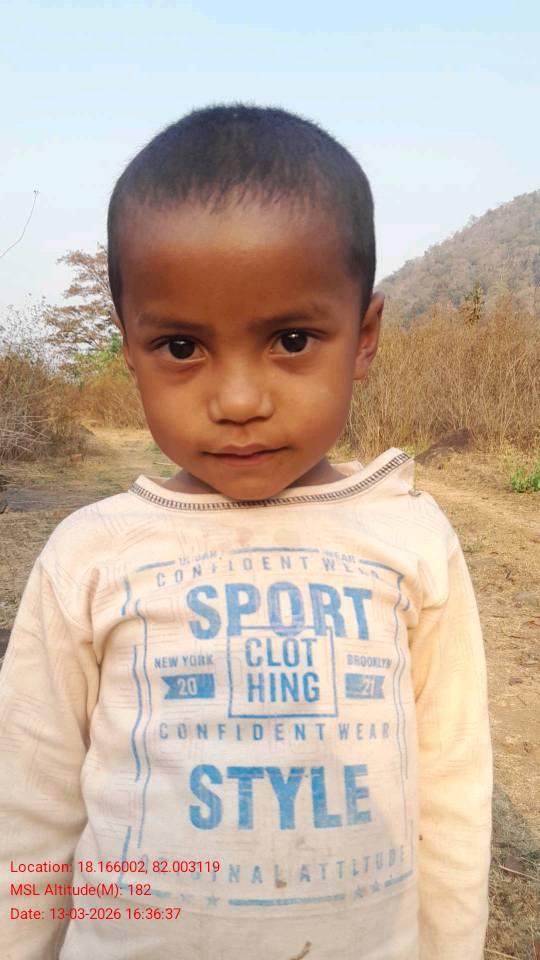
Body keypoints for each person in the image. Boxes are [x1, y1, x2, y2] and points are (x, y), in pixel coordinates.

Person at [0, 104, 492, 960]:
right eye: (180, 347)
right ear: (129, 347)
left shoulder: (413, 539)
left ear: (364, 339)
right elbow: (31, 804)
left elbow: (451, 798)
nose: (237, 400)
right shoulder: (90, 555)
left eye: (291, 339)